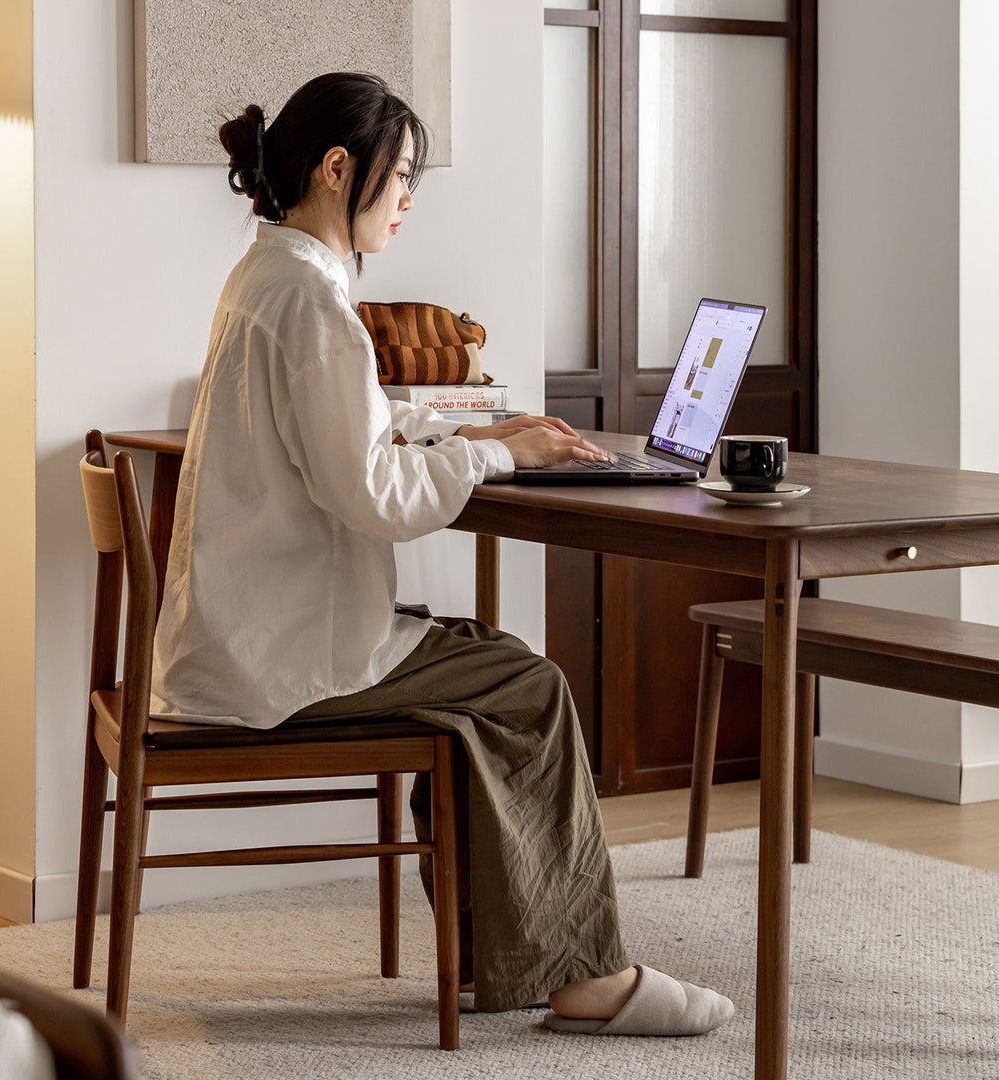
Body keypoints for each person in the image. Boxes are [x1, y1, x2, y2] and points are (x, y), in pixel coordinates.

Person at [151, 71, 733, 1037]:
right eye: (403, 175)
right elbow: (372, 496)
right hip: (282, 654)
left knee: (478, 670)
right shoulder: (312, 303)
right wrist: (496, 449)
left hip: (248, 633)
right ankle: (587, 974)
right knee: (528, 688)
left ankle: (485, 952)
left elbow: (353, 438)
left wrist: (472, 435)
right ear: (340, 168)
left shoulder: (274, 277)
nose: (412, 197)